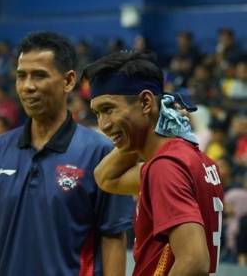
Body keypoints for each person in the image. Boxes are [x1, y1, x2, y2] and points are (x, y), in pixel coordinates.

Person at [0, 32, 134, 276]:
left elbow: (113, 239)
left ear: (68, 81)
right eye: (22, 76)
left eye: (40, 75)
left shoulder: (100, 153)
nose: (28, 86)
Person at [87, 51, 225, 275]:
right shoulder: (195, 159)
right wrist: (146, 132)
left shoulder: (165, 167)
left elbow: (194, 261)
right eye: (97, 113)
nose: (103, 124)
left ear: (145, 102)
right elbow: (106, 178)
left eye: (108, 110)